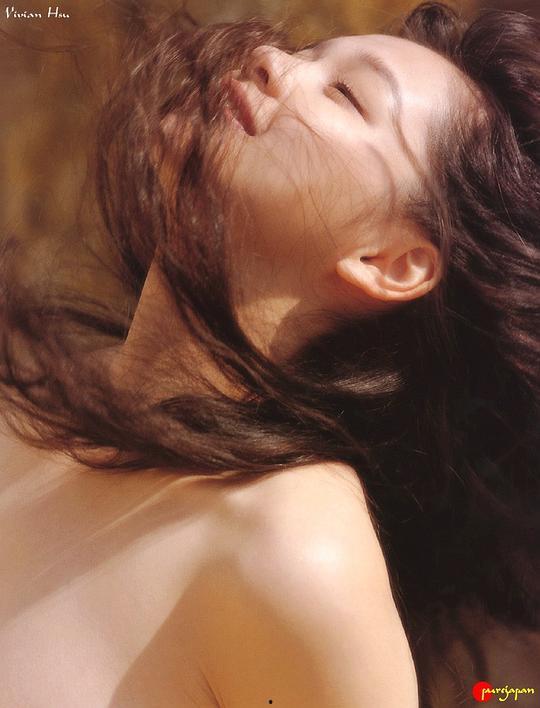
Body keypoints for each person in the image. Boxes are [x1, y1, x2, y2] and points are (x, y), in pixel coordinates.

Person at [0, 1, 538, 705]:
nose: (271, 59)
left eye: (346, 94)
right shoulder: (26, 396)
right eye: (309, 55)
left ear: (389, 263)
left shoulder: (295, 555)